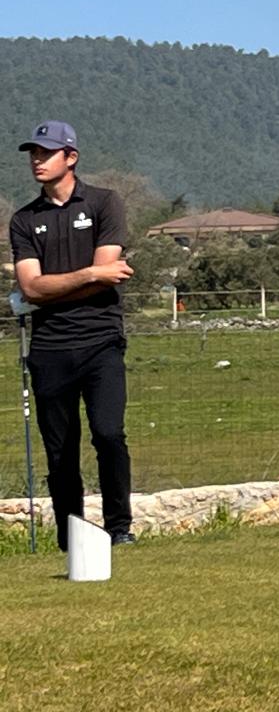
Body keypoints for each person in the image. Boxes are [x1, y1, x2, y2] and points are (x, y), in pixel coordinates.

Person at [9, 120, 137, 549]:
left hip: (101, 341)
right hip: (49, 348)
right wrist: (89, 274)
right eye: (34, 153)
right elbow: (31, 288)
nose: (37, 160)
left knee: (108, 434)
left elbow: (108, 275)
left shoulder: (104, 203)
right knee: (61, 451)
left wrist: (57, 286)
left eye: (46, 152)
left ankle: (119, 528)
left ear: (71, 157)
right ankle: (72, 539)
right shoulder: (24, 220)